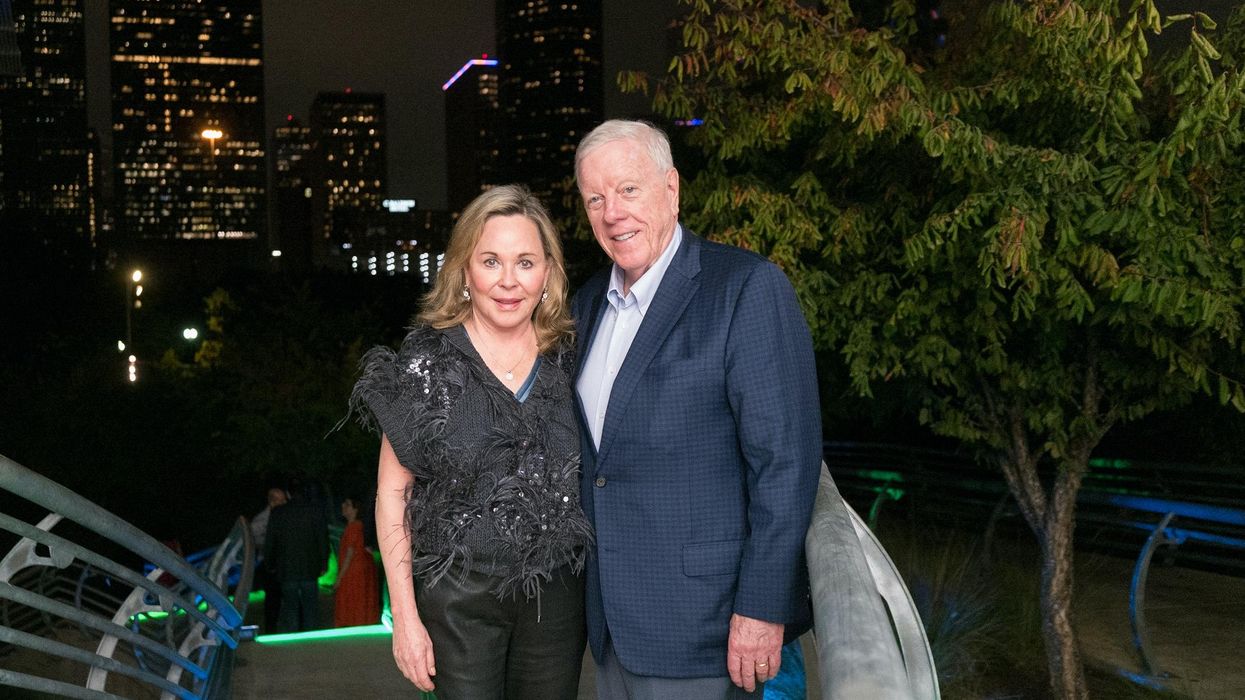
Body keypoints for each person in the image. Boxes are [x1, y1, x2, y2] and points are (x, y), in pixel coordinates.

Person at [571, 119, 823, 698]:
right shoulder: (586, 305)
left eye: (629, 189)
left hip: (710, 627)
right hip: (612, 628)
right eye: (595, 199)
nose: (613, 212)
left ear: (672, 188)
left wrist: (763, 606)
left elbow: (785, 463)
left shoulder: (744, 289)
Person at [350, 184, 592, 699]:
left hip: (558, 596)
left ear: (547, 273)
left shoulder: (575, 358)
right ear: (464, 270)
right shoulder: (425, 365)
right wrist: (406, 621)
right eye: (491, 261)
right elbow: (392, 496)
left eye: (525, 262)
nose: (509, 281)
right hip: (458, 598)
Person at [264, 479, 329, 633]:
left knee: (290, 606)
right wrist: (323, 563)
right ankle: (311, 636)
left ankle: (293, 637)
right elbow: (323, 540)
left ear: (288, 493)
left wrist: (270, 564)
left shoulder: (279, 513)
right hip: (309, 568)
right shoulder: (315, 511)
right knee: (310, 607)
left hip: (287, 568)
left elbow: (270, 541)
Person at [333, 496, 381, 627]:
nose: (343, 506)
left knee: (352, 597)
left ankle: (352, 622)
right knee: (360, 598)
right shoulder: (358, 526)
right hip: (361, 568)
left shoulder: (354, 527)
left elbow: (349, 553)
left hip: (353, 570)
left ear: (355, 509)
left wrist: (339, 577)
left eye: (348, 504)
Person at [250, 486, 288, 633]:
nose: (285, 502)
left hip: (283, 563)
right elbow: (254, 538)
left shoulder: (284, 515)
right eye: (281, 500)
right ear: (272, 501)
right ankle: (272, 629)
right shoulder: (262, 519)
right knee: (272, 599)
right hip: (270, 565)